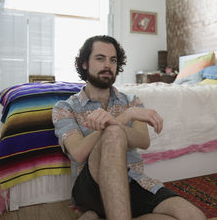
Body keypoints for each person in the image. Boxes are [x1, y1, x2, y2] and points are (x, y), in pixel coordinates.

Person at [52, 35, 206, 220]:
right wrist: (125, 117)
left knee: (193, 216)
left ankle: (101, 216)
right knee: (114, 132)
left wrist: (119, 117)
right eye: (100, 58)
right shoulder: (65, 107)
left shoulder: (132, 101)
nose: (108, 65)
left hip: (133, 181)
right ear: (84, 63)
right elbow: (78, 152)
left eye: (113, 60)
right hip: (90, 185)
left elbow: (143, 141)